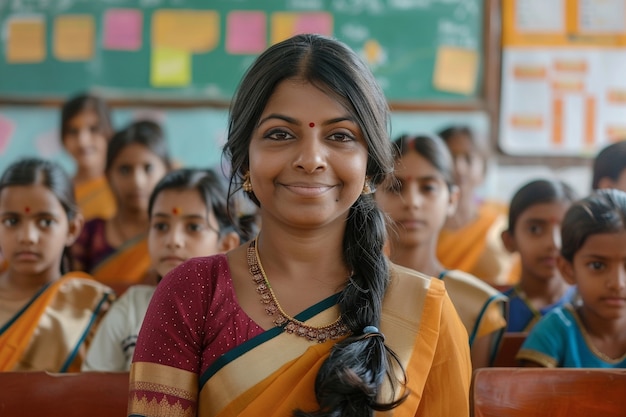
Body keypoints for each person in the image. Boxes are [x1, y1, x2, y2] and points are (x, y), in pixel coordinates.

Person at [128, 34, 471, 417]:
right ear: (243, 161)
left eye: (340, 136)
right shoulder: (193, 292)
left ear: (371, 168)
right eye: (280, 134)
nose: (310, 159)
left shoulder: (425, 312)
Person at [82, 168, 241, 371]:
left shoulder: (244, 312)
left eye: (193, 227)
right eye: (161, 226)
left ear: (227, 244)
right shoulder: (132, 307)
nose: (172, 240)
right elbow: (92, 391)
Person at [375, 134, 507, 369]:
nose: (412, 201)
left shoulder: (478, 306)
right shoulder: (350, 293)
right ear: (374, 197)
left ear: (452, 200)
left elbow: (472, 401)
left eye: (428, 188)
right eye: (396, 187)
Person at [0, 158, 114, 372]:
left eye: (45, 222)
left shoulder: (95, 308)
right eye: (11, 221)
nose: (28, 237)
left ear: (72, 228)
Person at [517, 189, 626, 367]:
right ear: (567, 270)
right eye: (597, 266)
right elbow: (530, 395)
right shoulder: (555, 331)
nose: (618, 283)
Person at [71, 120, 170, 286]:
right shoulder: (87, 235)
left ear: (167, 171)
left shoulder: (175, 237)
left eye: (148, 168)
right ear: (108, 176)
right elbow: (71, 297)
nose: (137, 181)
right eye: (125, 170)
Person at [436, 125, 515, 285]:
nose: (458, 168)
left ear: (483, 170)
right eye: (450, 158)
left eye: (468, 159)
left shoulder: (501, 218)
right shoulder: (419, 219)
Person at [500, 179, 578, 332]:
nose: (554, 243)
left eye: (565, 231)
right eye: (535, 229)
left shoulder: (594, 309)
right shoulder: (493, 312)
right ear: (509, 241)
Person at [60, 93, 116, 221]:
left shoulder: (123, 185)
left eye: (93, 129)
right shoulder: (59, 189)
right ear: (63, 137)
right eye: (73, 131)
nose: (83, 141)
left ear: (109, 132)